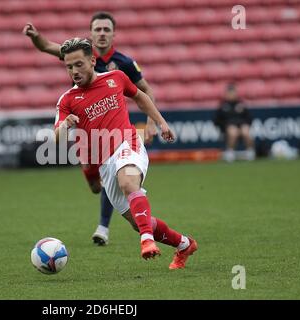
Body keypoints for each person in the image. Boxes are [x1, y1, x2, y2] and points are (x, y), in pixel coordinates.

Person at [54, 38, 197, 268]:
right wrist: (65, 126)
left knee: (128, 181)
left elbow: (141, 97)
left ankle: (147, 241)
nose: (74, 71)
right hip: (104, 163)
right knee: (139, 222)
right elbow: (56, 139)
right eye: (69, 67)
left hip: (128, 143)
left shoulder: (116, 78)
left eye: (79, 64)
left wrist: (161, 123)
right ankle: (184, 244)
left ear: (92, 61)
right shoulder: (67, 100)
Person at [23, 12, 158, 246]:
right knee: (96, 187)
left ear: (114, 34)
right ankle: (99, 188)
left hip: (112, 132)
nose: (102, 34)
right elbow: (45, 46)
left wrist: (152, 123)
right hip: (84, 133)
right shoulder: (78, 55)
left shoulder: (124, 63)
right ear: (92, 33)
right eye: (98, 29)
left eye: (107, 29)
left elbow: (145, 90)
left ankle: (103, 227)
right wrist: (35, 36)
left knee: (115, 171)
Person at [214, 83, 255, 162]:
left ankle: (250, 152)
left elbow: (249, 118)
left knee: (246, 131)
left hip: (241, 125)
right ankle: (230, 152)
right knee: (233, 132)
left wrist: (246, 125)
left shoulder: (241, 104)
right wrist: (224, 127)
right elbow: (217, 120)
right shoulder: (223, 106)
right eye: (229, 93)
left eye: (233, 92)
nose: (231, 95)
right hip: (229, 127)